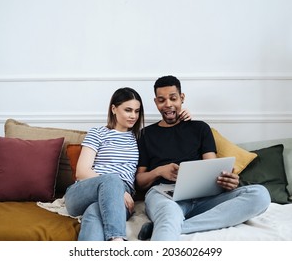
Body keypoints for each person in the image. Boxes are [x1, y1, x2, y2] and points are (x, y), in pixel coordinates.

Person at [135, 75, 271, 241]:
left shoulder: (200, 128)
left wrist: (227, 180)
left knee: (260, 194)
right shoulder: (146, 134)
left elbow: (212, 167)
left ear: (182, 98)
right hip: (164, 195)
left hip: (203, 198)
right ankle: (170, 223)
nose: (168, 104)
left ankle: (174, 227)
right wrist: (158, 171)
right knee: (169, 215)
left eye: (173, 98)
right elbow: (140, 181)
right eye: (162, 100)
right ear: (156, 102)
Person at [64, 87, 191, 241]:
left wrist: (182, 117)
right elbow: (82, 172)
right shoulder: (97, 133)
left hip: (120, 202)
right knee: (112, 179)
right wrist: (116, 189)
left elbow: (167, 136)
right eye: (128, 110)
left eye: (137, 111)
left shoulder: (139, 138)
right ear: (114, 109)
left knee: (93, 212)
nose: (133, 116)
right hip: (84, 191)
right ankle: (117, 240)